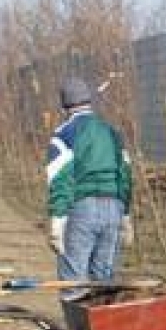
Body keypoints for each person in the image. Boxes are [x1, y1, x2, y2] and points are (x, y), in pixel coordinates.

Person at [46, 76, 134, 283]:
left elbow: (60, 178)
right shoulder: (112, 132)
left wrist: (57, 222)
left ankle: (77, 316)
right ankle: (103, 315)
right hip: (114, 207)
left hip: (81, 208)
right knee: (104, 281)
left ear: (64, 106)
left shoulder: (63, 134)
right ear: (89, 101)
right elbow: (125, 175)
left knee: (73, 280)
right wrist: (126, 216)